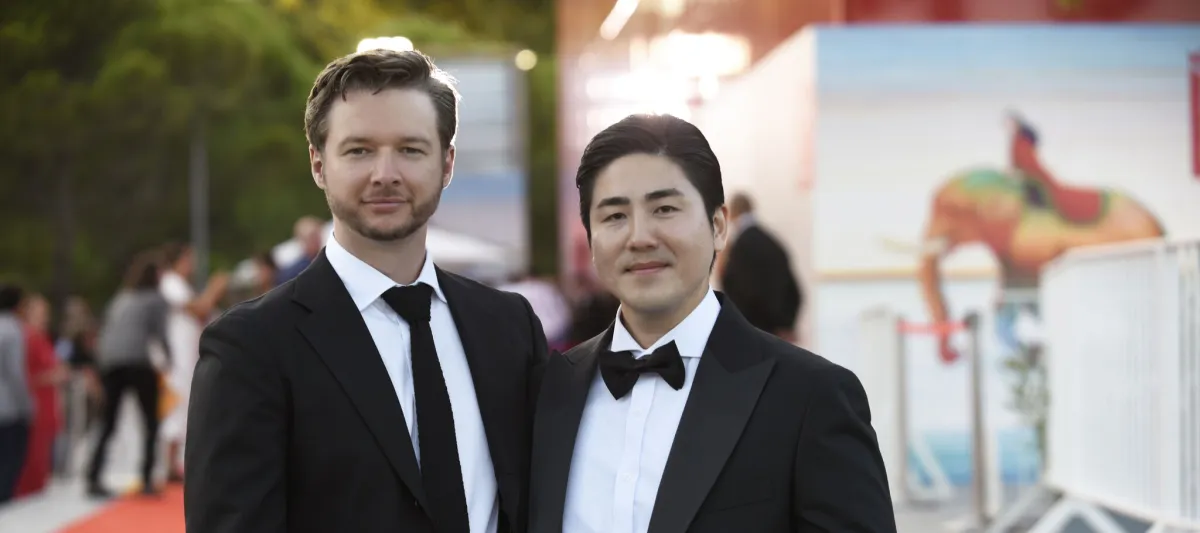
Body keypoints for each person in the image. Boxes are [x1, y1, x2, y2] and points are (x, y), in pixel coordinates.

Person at [185, 48, 549, 533]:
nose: (385, 174)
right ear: (318, 165)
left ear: (447, 163)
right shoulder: (251, 346)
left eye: (411, 149)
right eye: (359, 150)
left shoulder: (509, 327)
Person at [529, 114, 895, 533]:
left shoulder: (811, 397)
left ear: (719, 227)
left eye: (664, 209)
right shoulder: (550, 391)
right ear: (591, 241)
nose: (640, 236)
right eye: (614, 216)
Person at [86, 251, 173, 498]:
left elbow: (106, 330)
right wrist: (169, 360)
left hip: (111, 362)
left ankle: (92, 476)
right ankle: (146, 477)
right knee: (150, 421)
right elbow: (161, 333)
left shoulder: (122, 298)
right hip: (137, 361)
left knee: (108, 421)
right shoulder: (155, 298)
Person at [158, 242, 228, 482]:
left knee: (185, 404)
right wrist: (213, 289)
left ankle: (175, 463)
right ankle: (170, 462)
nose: (193, 265)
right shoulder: (170, 282)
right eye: (189, 259)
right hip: (177, 356)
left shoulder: (179, 285)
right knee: (179, 404)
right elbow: (199, 309)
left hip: (185, 354)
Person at [718, 192, 803, 342]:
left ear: (732, 213)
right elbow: (793, 289)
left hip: (752, 332)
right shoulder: (772, 242)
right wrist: (786, 324)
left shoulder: (739, 247)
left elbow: (734, 287)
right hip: (776, 333)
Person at [15, 293, 67, 497]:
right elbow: (26, 375)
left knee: (42, 454)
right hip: (35, 402)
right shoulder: (27, 337)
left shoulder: (41, 338)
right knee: (33, 456)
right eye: (39, 312)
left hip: (46, 402)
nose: (44, 317)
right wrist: (53, 376)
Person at [0, 283, 32, 504]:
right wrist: (27, 405)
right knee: (10, 460)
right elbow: (15, 372)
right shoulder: (13, 330)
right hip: (9, 406)